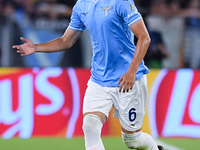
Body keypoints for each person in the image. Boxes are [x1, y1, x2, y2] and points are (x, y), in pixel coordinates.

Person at [13, 0, 164, 149]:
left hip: (127, 79)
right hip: (99, 80)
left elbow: (144, 37)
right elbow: (66, 40)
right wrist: (36, 47)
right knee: (90, 126)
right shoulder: (81, 5)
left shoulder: (121, 2)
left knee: (133, 141)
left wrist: (132, 71)